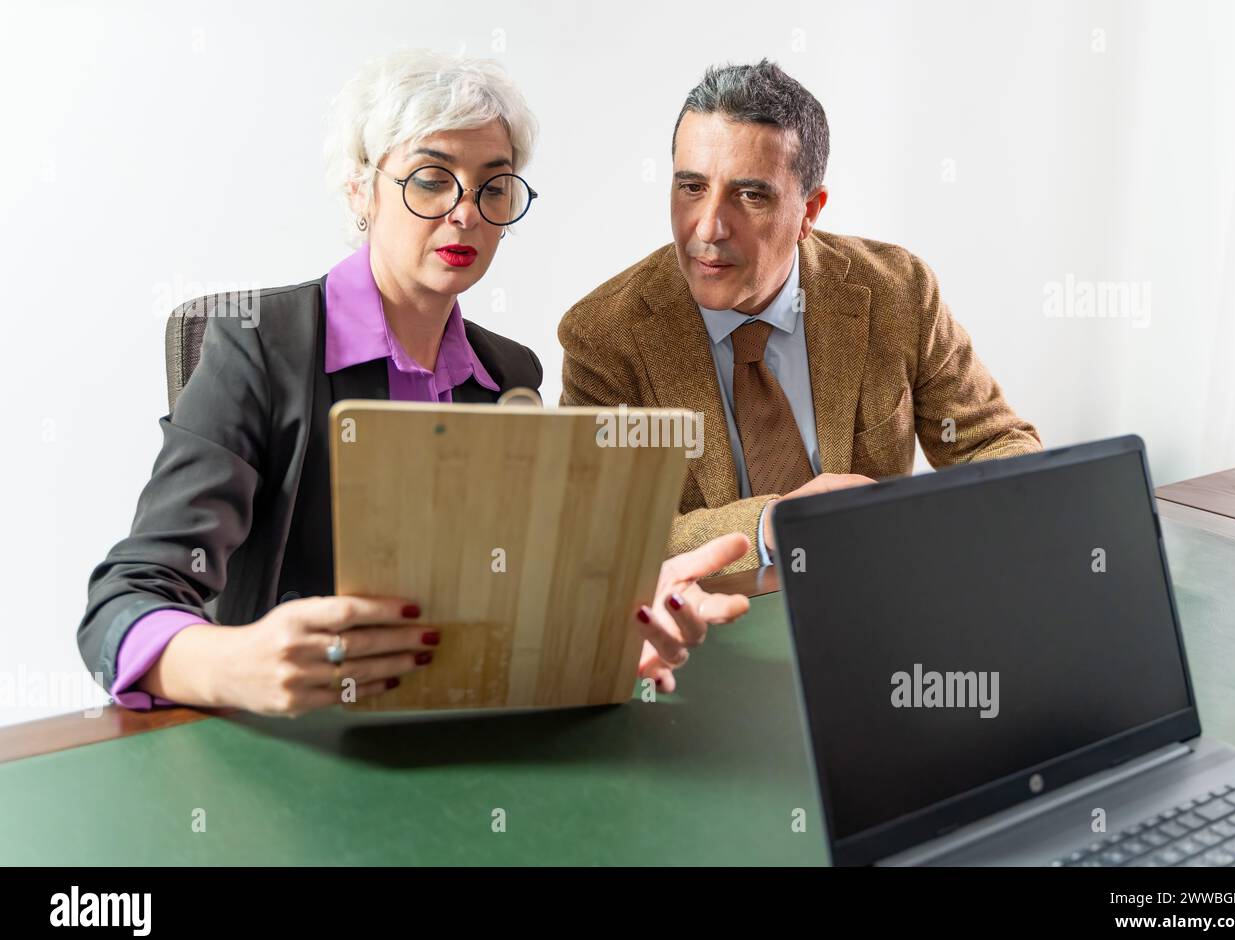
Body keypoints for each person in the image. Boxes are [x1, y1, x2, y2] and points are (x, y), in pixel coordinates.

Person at [77, 51, 750, 717]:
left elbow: (514, 597)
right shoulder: (256, 345)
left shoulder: (508, 377)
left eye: (493, 186)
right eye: (431, 179)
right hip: (293, 746)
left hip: (452, 729)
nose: (466, 214)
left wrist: (611, 624)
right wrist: (233, 665)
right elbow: (124, 600)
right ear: (360, 188)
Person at [559, 60, 1042, 577]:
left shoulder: (897, 289)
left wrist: (920, 524)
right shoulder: (604, 337)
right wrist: (775, 523)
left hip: (879, 609)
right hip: (710, 637)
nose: (710, 228)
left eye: (750, 194)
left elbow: (997, 447)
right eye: (692, 187)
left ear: (810, 210)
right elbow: (600, 530)